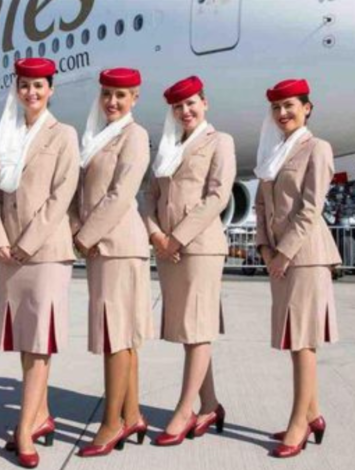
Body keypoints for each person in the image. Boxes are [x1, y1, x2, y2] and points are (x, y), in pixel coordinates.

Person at [0, 57, 80, 469]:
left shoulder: (64, 135)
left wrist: (27, 242)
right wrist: (1, 241)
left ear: (51, 89)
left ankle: (23, 429)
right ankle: (39, 416)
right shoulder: (5, 135)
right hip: (11, 256)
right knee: (26, 341)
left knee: (40, 342)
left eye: (39, 86)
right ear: (16, 90)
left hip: (46, 252)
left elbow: (62, 195)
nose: (32, 93)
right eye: (25, 85)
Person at [143, 76, 235, 447]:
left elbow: (217, 196)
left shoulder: (219, 142)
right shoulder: (168, 147)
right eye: (179, 107)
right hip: (168, 250)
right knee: (189, 332)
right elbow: (148, 196)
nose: (185, 111)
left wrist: (175, 238)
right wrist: (156, 236)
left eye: (191, 103)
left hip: (198, 248)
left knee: (198, 331)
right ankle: (210, 404)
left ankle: (185, 411)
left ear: (205, 103)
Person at [253, 78, 341, 458]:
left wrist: (283, 253)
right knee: (294, 341)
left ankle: (299, 424)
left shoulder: (316, 149)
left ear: (308, 108)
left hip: (305, 257)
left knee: (303, 342)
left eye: (290, 105)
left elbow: (310, 208)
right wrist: (264, 248)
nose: (283, 113)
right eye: (276, 108)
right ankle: (314, 414)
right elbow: (260, 207)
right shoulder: (273, 153)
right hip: (280, 257)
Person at [71, 68, 153, 457]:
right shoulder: (98, 137)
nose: (112, 102)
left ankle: (111, 423)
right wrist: (76, 226)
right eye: (107, 94)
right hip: (103, 247)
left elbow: (122, 194)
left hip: (117, 245)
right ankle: (132, 413)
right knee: (121, 337)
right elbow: (82, 192)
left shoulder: (134, 136)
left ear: (135, 97)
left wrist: (84, 237)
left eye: (121, 95)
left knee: (115, 338)